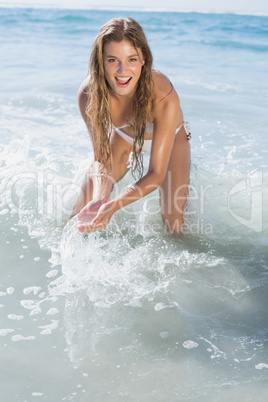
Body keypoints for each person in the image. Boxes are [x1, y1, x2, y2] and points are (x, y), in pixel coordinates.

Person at [71, 17, 191, 233]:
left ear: (143, 58)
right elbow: (101, 158)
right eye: (112, 60)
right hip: (125, 138)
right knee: (80, 213)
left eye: (131, 59)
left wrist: (114, 205)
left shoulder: (162, 92)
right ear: (101, 61)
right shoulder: (89, 95)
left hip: (172, 140)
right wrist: (101, 199)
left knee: (174, 226)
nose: (122, 70)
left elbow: (156, 173)